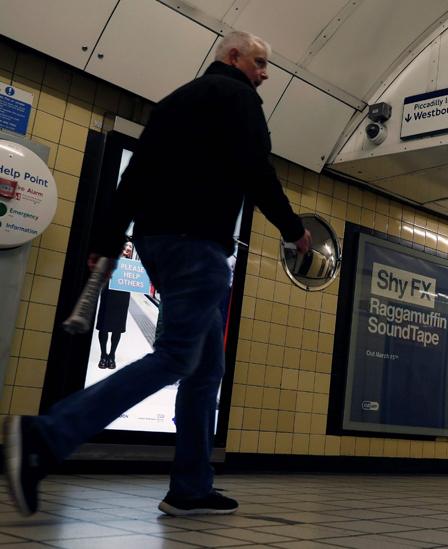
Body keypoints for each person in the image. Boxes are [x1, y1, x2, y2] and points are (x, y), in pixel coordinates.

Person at [3, 31, 311, 518]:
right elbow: (257, 168)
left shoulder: (174, 103)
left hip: (157, 243)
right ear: (233, 57)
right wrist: (294, 229)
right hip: (198, 245)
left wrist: (106, 241)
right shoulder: (237, 97)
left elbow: (135, 177)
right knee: (174, 360)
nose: (265, 73)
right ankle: (45, 436)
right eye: (259, 62)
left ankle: (190, 487)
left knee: (205, 370)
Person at [95, 241, 135, 369]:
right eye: (126, 245)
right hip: (108, 292)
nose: (128, 248)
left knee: (117, 326)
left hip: (122, 296)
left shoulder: (132, 265)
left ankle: (112, 355)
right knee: (104, 325)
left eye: (130, 246)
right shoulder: (111, 258)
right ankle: (103, 355)